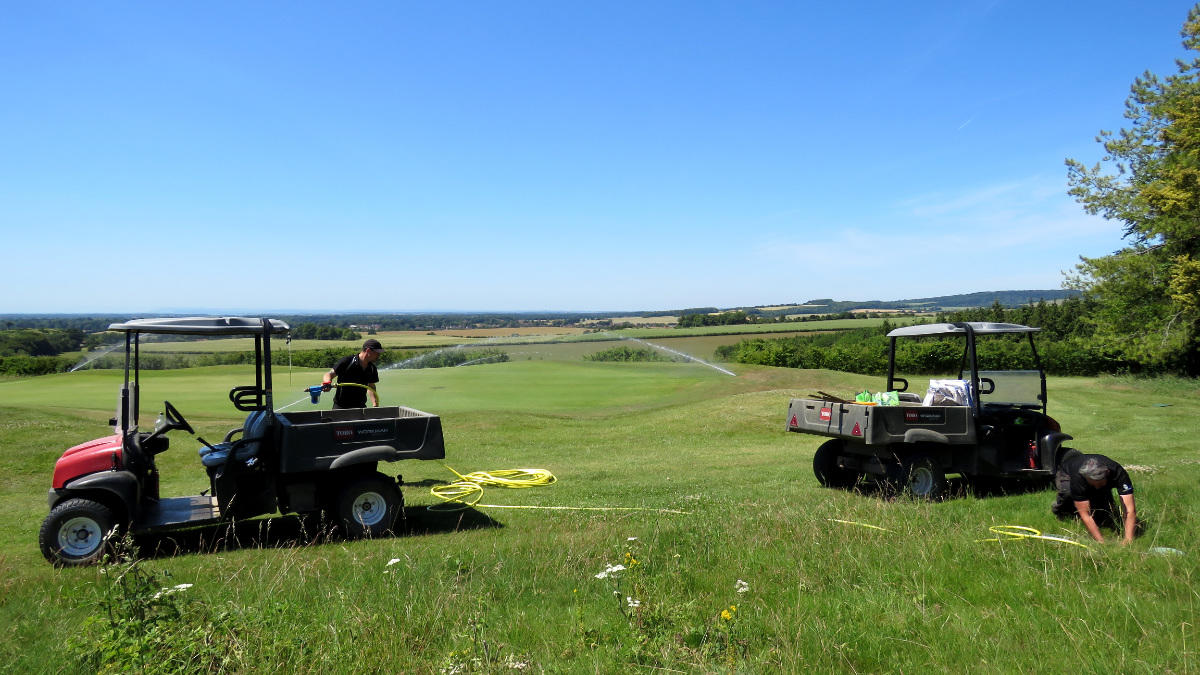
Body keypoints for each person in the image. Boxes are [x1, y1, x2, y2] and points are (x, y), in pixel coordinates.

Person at [1051, 449, 1137, 545]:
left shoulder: (1119, 473)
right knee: (1067, 493)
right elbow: (1085, 514)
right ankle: (1061, 511)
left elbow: (1130, 510)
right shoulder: (1078, 478)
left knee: (1101, 501)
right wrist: (1100, 542)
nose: (1096, 486)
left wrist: (1128, 539)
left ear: (1107, 474)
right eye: (1093, 483)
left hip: (1100, 476)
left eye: (1099, 483)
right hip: (1067, 473)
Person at [322, 339, 383, 409]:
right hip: (341, 407)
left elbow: (371, 386)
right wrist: (327, 382)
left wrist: (375, 404)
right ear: (368, 350)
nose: (379, 355)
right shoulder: (347, 361)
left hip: (361, 407)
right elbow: (329, 374)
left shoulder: (372, 368)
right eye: (377, 353)